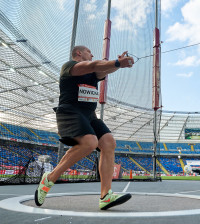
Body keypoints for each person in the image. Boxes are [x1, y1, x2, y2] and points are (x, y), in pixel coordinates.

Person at [34, 45, 134, 210]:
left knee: (109, 142)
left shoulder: (93, 73)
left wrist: (117, 64)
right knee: (90, 142)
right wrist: (117, 62)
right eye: (89, 51)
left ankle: (106, 196)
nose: (92, 53)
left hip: (89, 115)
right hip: (70, 111)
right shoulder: (69, 66)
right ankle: (49, 178)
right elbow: (94, 65)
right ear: (79, 53)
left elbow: (102, 71)